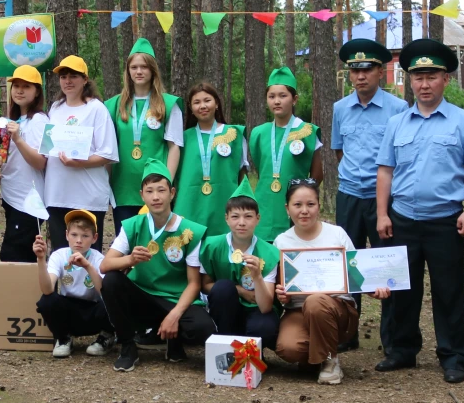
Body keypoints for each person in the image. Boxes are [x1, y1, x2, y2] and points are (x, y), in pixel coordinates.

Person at [375, 39, 464, 384]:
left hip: (445, 220)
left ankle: (453, 355)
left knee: (448, 290)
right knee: (401, 289)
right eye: (418, 77)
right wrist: (382, 213)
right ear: (410, 81)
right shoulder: (397, 122)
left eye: (432, 77)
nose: (424, 84)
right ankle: (402, 350)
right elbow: (385, 170)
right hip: (403, 217)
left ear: (445, 80)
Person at [100, 159, 214, 372]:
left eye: (161, 190)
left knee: (203, 329)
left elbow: (193, 284)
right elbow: (105, 265)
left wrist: (174, 315)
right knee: (112, 281)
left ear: (172, 193)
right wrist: (130, 260)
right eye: (149, 191)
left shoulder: (191, 231)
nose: (155, 197)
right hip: (143, 296)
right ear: (141, 195)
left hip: (174, 298)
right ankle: (127, 346)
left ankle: (174, 337)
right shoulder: (133, 225)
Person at [330, 38, 408, 351]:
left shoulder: (398, 108)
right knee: (347, 264)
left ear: (380, 71)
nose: (361, 76)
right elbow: (339, 150)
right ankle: (347, 332)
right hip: (349, 194)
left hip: (383, 199)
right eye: (355, 70)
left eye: (368, 70)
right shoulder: (340, 109)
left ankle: (392, 340)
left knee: (385, 266)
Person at [273, 179, 390, 384]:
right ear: (287, 208)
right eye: (297, 205)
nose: (304, 211)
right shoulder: (281, 241)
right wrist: (281, 294)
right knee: (288, 349)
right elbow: (282, 289)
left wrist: (373, 289)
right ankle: (315, 357)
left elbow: (356, 275)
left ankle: (329, 360)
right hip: (298, 310)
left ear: (319, 205)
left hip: (337, 309)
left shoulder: (337, 234)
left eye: (310, 204)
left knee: (316, 301)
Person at [104, 39, 183, 234]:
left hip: (156, 188)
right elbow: (108, 148)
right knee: (127, 245)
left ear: (153, 70)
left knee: (156, 244)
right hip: (123, 188)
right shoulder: (113, 105)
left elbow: (174, 147)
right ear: (128, 71)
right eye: (134, 67)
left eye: (144, 67)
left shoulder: (168, 104)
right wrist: (106, 183)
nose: (139, 71)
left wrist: (167, 183)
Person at [44, 55, 119, 252]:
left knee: (87, 258)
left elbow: (109, 154)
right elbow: (48, 146)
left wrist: (78, 163)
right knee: (60, 256)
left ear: (85, 80)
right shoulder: (55, 108)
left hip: (87, 197)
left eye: (73, 76)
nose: (67, 81)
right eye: (63, 76)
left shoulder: (96, 109)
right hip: (57, 195)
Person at [201, 178, 281, 349]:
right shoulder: (212, 246)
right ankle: (226, 346)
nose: (242, 222)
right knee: (222, 288)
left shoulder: (270, 252)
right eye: (235, 217)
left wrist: (257, 276)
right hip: (227, 307)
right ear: (226, 219)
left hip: (257, 309)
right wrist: (240, 290)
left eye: (248, 216)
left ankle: (252, 355)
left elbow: (266, 306)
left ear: (258, 219)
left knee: (264, 327)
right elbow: (205, 285)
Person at [248, 66, 323, 242]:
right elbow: (261, 168)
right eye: (271, 96)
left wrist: (302, 197)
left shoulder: (307, 131)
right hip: (265, 203)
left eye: (283, 96)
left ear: (294, 99)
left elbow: (317, 174)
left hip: (295, 205)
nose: (277, 101)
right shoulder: (259, 133)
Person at [33, 210, 113, 358]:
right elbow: (47, 289)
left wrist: (87, 266)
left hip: (92, 311)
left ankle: (105, 337)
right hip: (68, 311)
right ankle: (63, 338)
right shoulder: (59, 255)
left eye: (85, 236)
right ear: (66, 235)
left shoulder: (98, 258)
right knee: (46, 301)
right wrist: (41, 259)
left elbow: (104, 292)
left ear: (94, 238)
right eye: (74, 235)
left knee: (111, 302)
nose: (79, 240)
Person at [173, 83, 249, 235]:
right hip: (190, 205)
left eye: (207, 100)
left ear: (216, 104)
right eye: (197, 102)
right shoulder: (182, 138)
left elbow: (242, 175)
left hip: (224, 203)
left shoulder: (234, 134)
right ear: (191, 108)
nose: (202, 106)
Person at [0, 66, 50, 262]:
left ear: (37, 92)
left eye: (26, 86)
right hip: (10, 197)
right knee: (24, 256)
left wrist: (18, 139)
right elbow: (2, 164)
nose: (19, 90)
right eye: (16, 86)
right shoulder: (10, 121)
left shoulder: (41, 120)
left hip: (30, 201)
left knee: (11, 255)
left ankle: (33, 292)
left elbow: (40, 162)